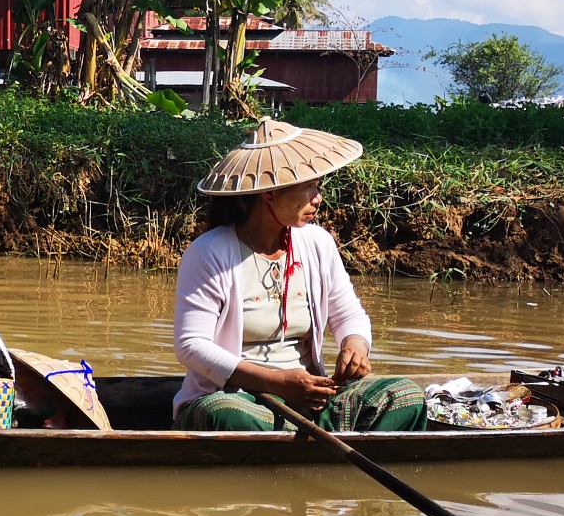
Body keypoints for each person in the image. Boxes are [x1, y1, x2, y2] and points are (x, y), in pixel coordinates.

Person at [172, 118, 426, 432]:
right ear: (269, 194)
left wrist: (354, 346)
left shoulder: (317, 243)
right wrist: (276, 382)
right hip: (238, 399)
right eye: (309, 187)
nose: (317, 197)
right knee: (224, 414)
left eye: (317, 186)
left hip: (309, 397)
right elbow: (191, 345)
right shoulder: (209, 252)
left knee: (404, 396)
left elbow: (348, 314)